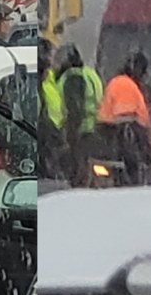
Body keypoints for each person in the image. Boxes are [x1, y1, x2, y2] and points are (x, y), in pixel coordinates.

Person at [96, 51, 151, 186]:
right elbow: (125, 121)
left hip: (111, 143)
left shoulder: (122, 83)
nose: (145, 79)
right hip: (118, 147)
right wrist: (139, 154)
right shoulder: (125, 85)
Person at [56, 44, 103, 186]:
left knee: (77, 175)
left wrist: (70, 137)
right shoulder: (88, 73)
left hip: (80, 132)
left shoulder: (73, 77)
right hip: (92, 129)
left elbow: (75, 111)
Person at [38, 39, 67, 180]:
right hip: (46, 145)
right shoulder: (36, 87)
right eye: (50, 57)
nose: (53, 62)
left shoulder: (50, 80)